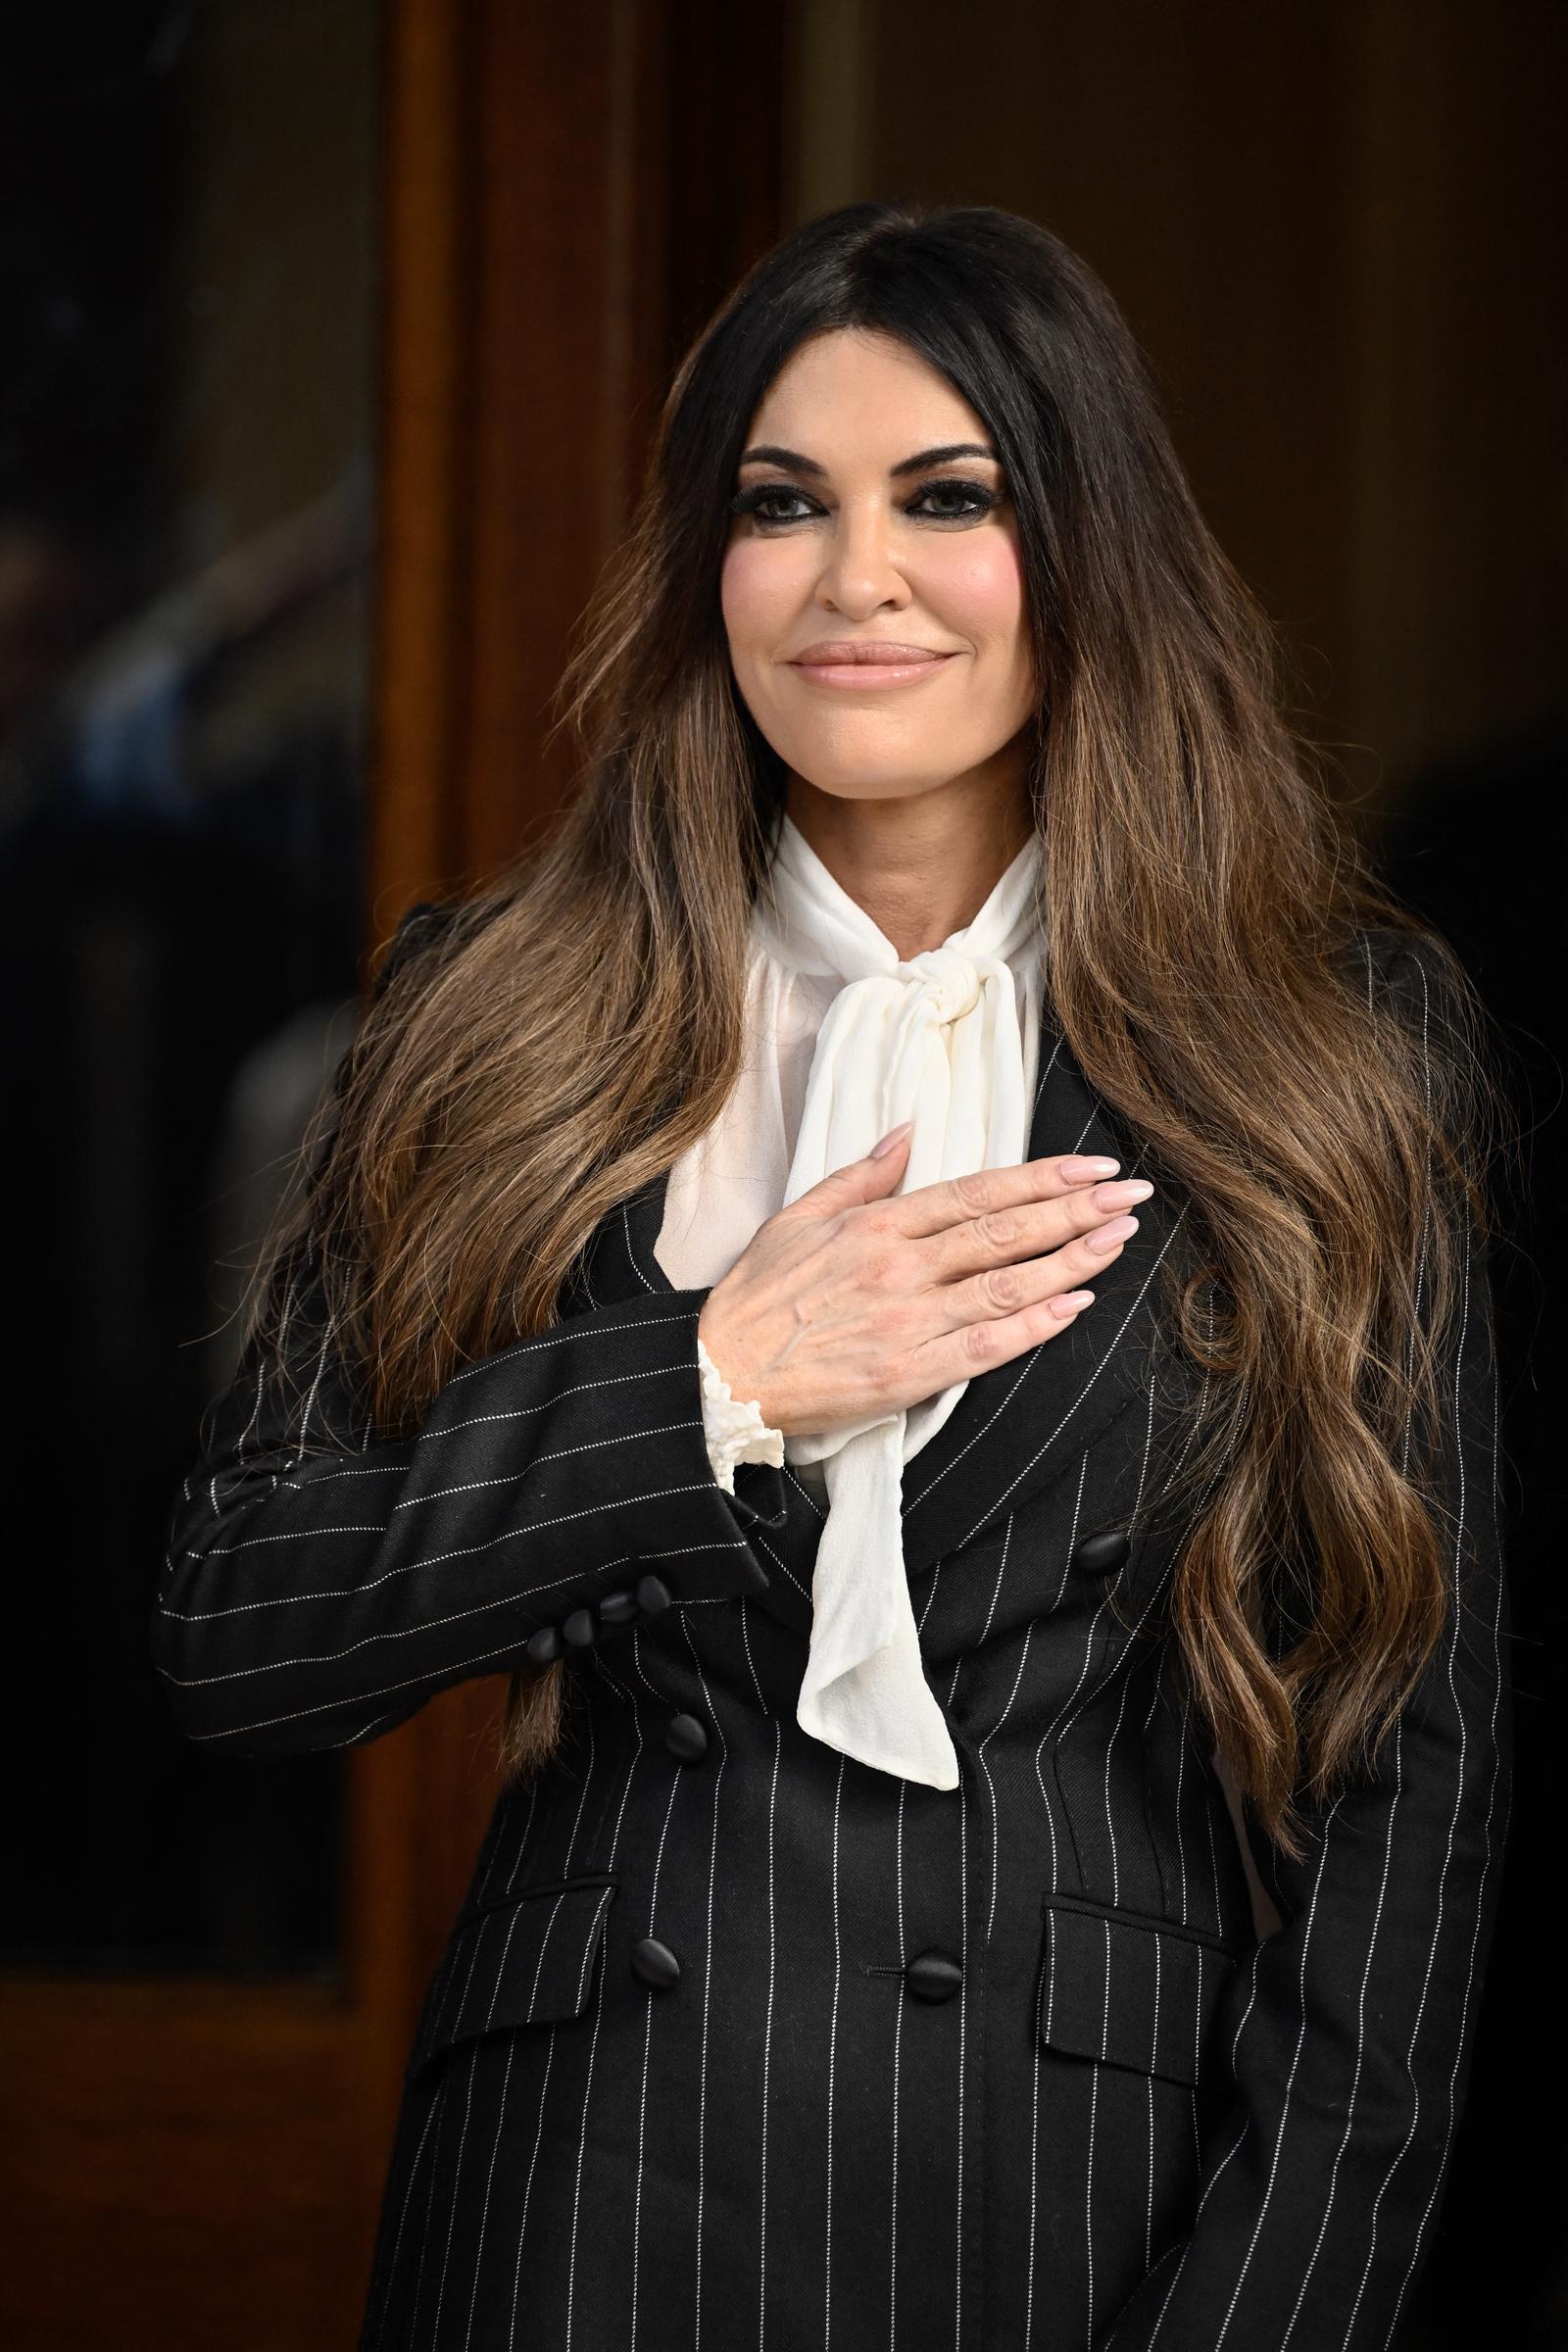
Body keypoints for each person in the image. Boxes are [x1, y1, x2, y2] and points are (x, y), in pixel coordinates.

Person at [154, 202, 1510, 2350]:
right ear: (712, 561)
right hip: (578, 2195)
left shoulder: (1322, 1046)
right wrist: (706, 1380)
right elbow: (245, 1635)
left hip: (1077, 2214)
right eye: (781, 505)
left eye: (946, 499)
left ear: (1085, 553)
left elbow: (1402, 1791)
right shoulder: (494, 1004)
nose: (850, 577)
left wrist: (1265, 2317)